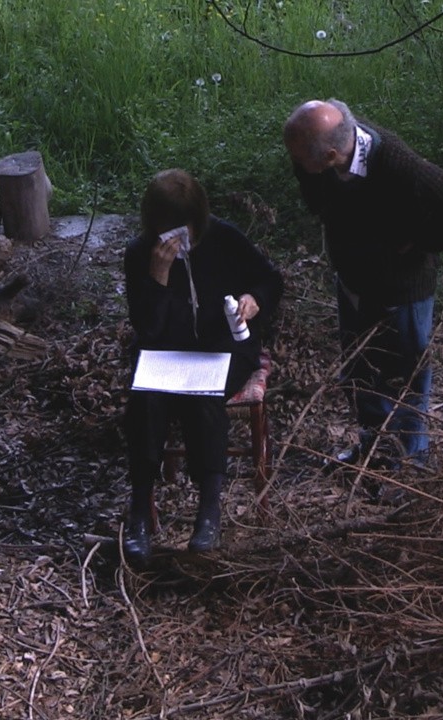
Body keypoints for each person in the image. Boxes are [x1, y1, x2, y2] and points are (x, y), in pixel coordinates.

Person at [283, 99, 443, 469]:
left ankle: (408, 463)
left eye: (302, 161)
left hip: (399, 289)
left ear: (329, 155)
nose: (297, 166)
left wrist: (418, 242)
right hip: (354, 282)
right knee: (360, 369)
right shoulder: (321, 159)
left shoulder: (394, 164)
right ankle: (374, 449)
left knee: (404, 375)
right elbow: (311, 187)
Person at [121, 168, 283, 564]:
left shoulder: (224, 239)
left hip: (224, 347)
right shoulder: (138, 253)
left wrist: (253, 297)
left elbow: (270, 280)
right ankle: (140, 509)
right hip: (165, 350)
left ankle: (208, 508)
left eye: (186, 227)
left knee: (203, 397)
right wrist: (158, 279)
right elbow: (146, 327)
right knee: (145, 401)